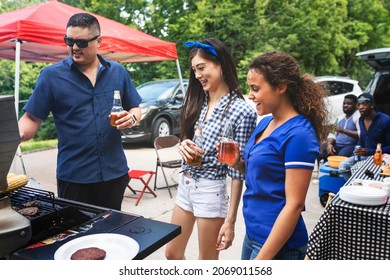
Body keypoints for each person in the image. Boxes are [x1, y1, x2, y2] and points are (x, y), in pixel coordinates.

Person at [18, 13, 142, 211]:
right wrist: (11, 137)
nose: (74, 47)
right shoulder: (51, 76)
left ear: (98, 41)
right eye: (69, 41)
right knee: (78, 238)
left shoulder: (118, 72)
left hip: (114, 174)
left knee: (110, 236)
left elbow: (135, 107)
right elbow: (31, 118)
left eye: (82, 42)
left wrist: (132, 117)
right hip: (74, 178)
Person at [228, 51, 329, 260]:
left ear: (281, 87)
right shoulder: (266, 123)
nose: (250, 95)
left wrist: (261, 261)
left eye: (255, 88)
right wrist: (238, 163)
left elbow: (294, 205)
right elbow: (264, 176)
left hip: (279, 245)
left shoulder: (299, 133)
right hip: (253, 235)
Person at [164, 38, 257, 260]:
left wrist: (230, 220)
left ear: (221, 65)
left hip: (210, 190)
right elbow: (191, 137)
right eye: (195, 69)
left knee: (206, 262)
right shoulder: (200, 101)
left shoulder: (241, 111)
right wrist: (183, 144)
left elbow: (237, 172)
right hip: (185, 184)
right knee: (172, 253)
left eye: (202, 68)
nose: (197, 75)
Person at [338, 93, 390, 180]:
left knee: (358, 169)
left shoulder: (385, 121)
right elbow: (362, 141)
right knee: (343, 166)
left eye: (364, 104)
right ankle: (354, 186)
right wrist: (357, 150)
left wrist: (370, 151)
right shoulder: (361, 119)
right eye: (358, 105)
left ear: (372, 105)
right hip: (366, 156)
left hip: (381, 158)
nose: (360, 107)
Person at [318, 94, 360, 162]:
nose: (345, 105)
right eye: (344, 103)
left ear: (356, 105)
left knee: (341, 155)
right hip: (337, 144)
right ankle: (322, 170)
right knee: (322, 149)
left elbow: (361, 134)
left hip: (351, 145)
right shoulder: (339, 118)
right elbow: (332, 134)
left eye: (349, 104)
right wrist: (329, 144)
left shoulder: (358, 117)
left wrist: (343, 130)